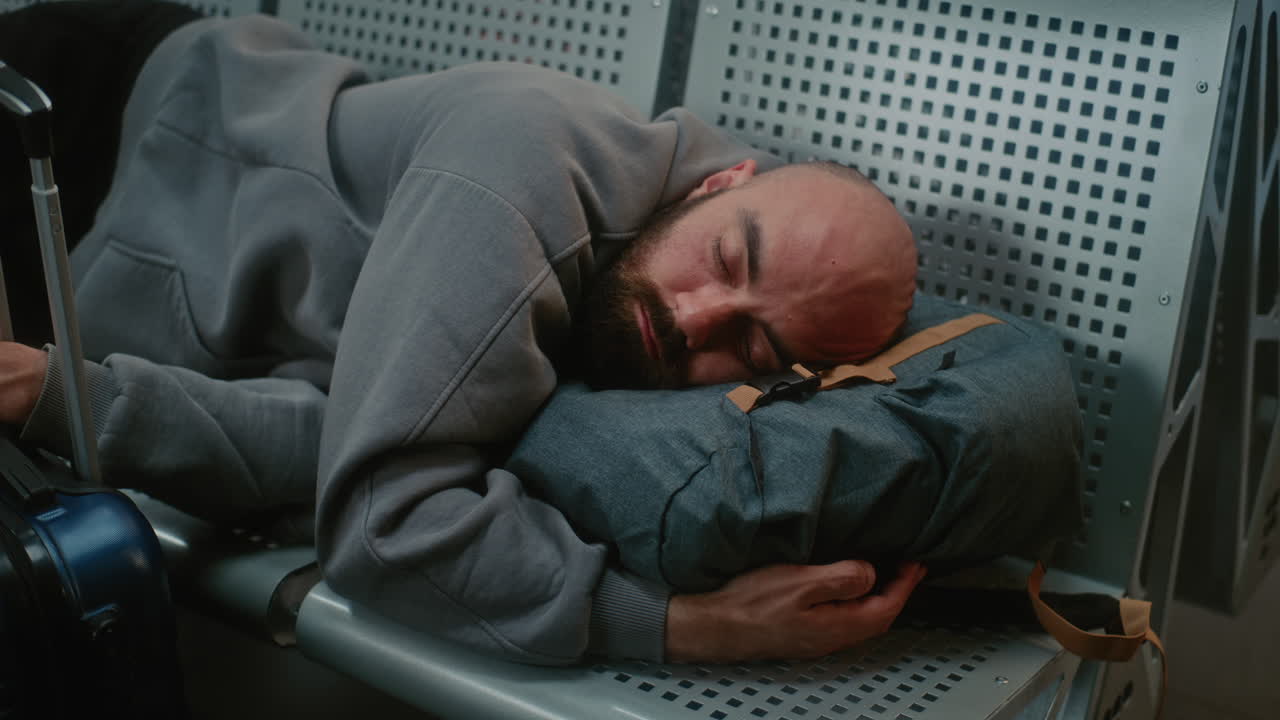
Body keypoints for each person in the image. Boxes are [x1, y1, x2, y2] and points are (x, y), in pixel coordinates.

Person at [0, 1, 926, 666]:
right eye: (728, 260)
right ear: (721, 185)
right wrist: (692, 626)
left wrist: (63, 395)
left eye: (755, 351)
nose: (690, 320)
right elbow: (384, 520)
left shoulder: (624, 331)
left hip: (96, 273)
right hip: (80, 133)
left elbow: (334, 448)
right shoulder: (526, 168)